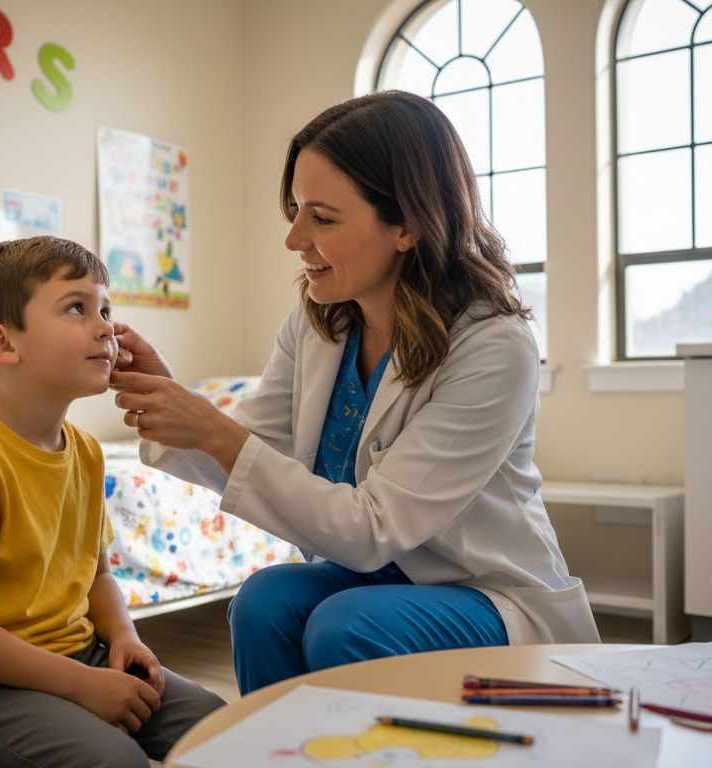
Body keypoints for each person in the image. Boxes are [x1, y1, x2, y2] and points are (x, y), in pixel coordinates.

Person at [110, 91, 600, 696]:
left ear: (408, 225)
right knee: (263, 600)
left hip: (483, 590)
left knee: (345, 625)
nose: (293, 239)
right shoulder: (321, 321)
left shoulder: (493, 346)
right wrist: (166, 402)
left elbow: (371, 528)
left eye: (322, 217)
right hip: (370, 577)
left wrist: (215, 429)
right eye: (294, 211)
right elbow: (255, 446)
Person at [0, 236, 224, 767]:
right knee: (115, 760)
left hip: (77, 654)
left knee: (221, 726)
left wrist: (124, 637)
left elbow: (96, 575)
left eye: (105, 308)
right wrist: (81, 685)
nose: (107, 328)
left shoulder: (87, 452)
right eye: (77, 308)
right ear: (3, 344)